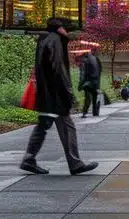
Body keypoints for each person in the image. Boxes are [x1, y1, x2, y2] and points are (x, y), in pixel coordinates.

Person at [20, 18, 98, 176]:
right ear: (59, 28)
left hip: (47, 93)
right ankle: (75, 163)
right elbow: (58, 69)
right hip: (55, 95)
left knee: (43, 126)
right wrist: (67, 93)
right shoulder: (55, 40)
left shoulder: (44, 40)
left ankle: (29, 159)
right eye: (64, 28)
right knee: (67, 126)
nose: (67, 31)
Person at [78, 47, 101, 118]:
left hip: (87, 83)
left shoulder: (86, 60)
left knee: (87, 98)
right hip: (95, 82)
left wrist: (80, 84)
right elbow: (99, 72)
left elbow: (83, 73)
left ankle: (85, 112)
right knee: (94, 98)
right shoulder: (97, 60)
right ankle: (95, 112)